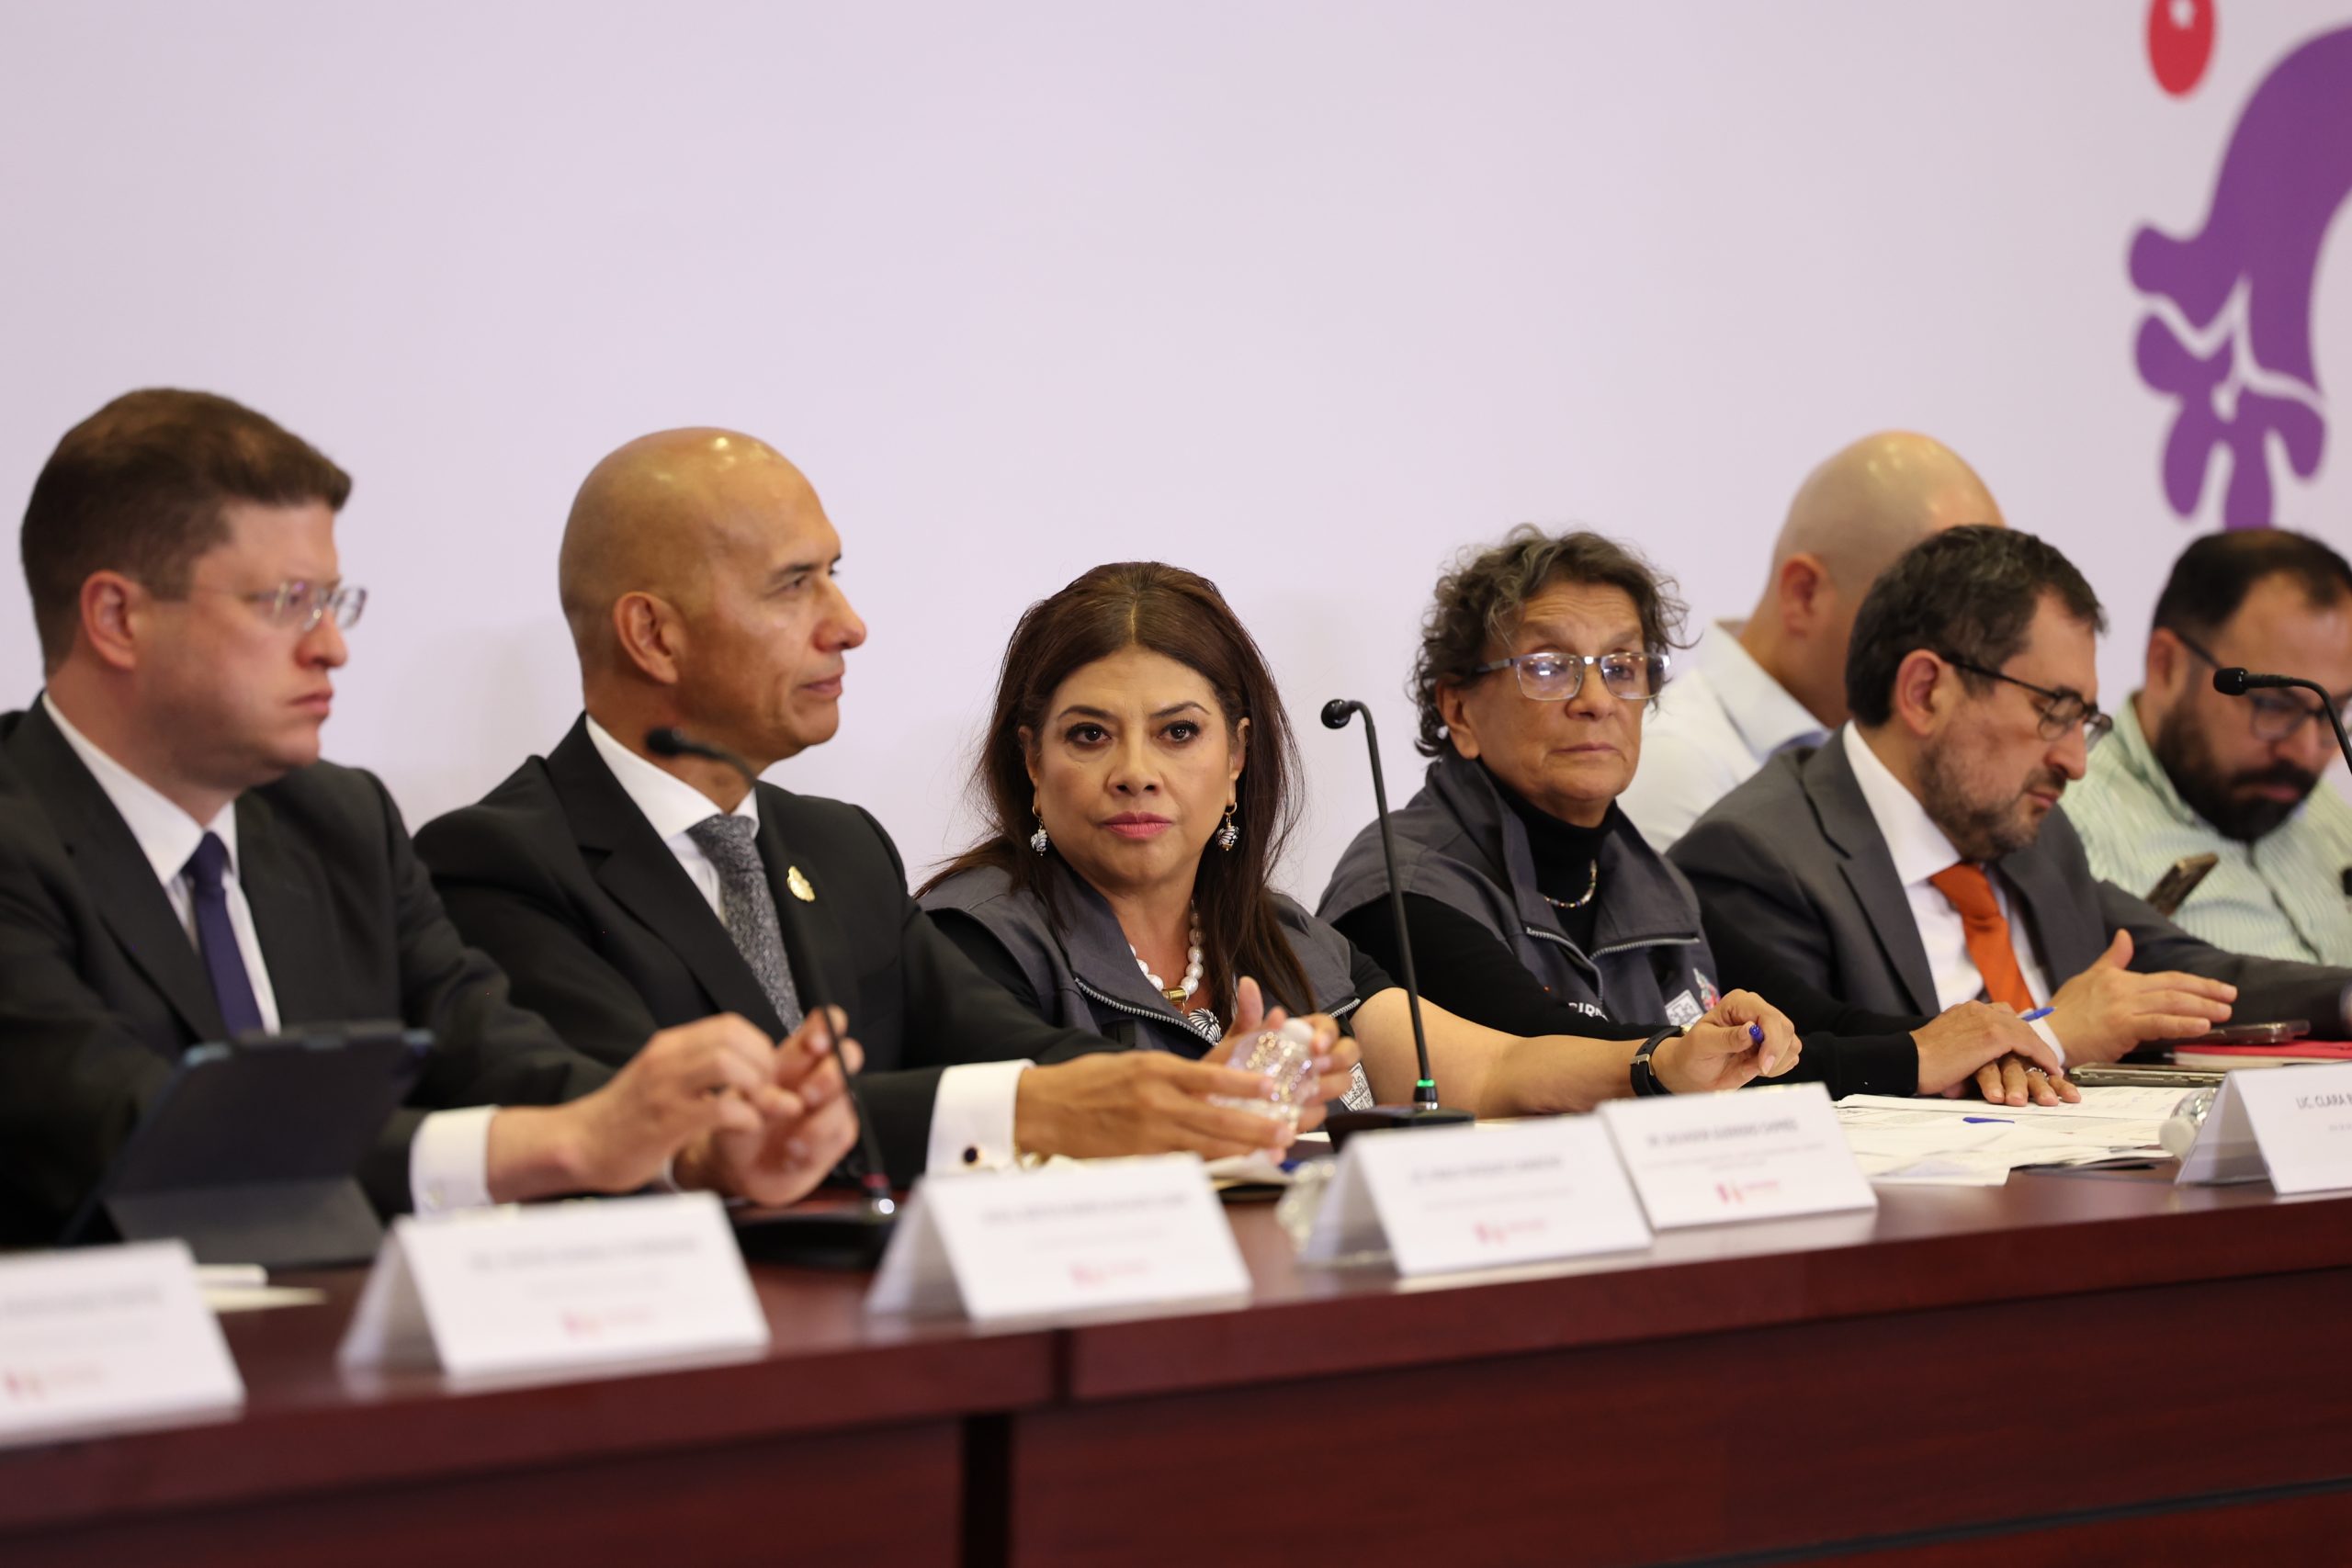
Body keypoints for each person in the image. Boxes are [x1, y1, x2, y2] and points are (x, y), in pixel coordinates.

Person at [0, 391, 855, 1247]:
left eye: (337, 601)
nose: (330, 645)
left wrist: (692, 1150)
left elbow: (489, 1051)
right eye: (286, 602)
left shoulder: (338, 823)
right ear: (117, 618)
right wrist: (572, 1143)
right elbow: (124, 1128)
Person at [416, 430, 1326, 1183]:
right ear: (653, 634)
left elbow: (1002, 1045)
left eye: (834, 574)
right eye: (793, 584)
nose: (846, 623)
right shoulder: (500, 864)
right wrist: (1030, 1106)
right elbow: (663, 1130)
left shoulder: (838, 847)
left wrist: (1185, 1092)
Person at [921, 561, 1801, 1116]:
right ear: (1031, 760)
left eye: (1179, 732)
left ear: (1238, 757)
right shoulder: (974, 936)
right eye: (1089, 735)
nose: (1136, 770)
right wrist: (1208, 1101)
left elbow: (1492, 1070)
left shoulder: (1286, 938)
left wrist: (1665, 1061)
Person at [1317, 526, 2064, 1106]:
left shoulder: (1643, 875)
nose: (1596, 699)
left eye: (1622, 665)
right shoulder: (1404, 888)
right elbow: (1584, 1058)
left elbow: (1813, 1021)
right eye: (1548, 666)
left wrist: (1979, 1040)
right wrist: (1913, 1058)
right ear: (1458, 708)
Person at [1670, 525, 2352, 1067]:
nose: (2077, 761)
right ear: (1925, 692)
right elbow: (1824, 1065)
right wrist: (2052, 1034)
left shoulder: (2030, 837)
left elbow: (2191, 975)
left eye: (2086, 720)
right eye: (2054, 711)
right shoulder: (1759, 858)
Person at [1621, 432, 2003, 851]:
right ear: (1804, 594)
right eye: (1937, 622)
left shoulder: (1875, 760)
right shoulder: (1675, 766)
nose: (1965, 662)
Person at [2059, 529, 2352, 964]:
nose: (2307, 751)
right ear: (2167, 666)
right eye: (2273, 705)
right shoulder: (2067, 832)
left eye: (2333, 710)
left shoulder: (2324, 814)